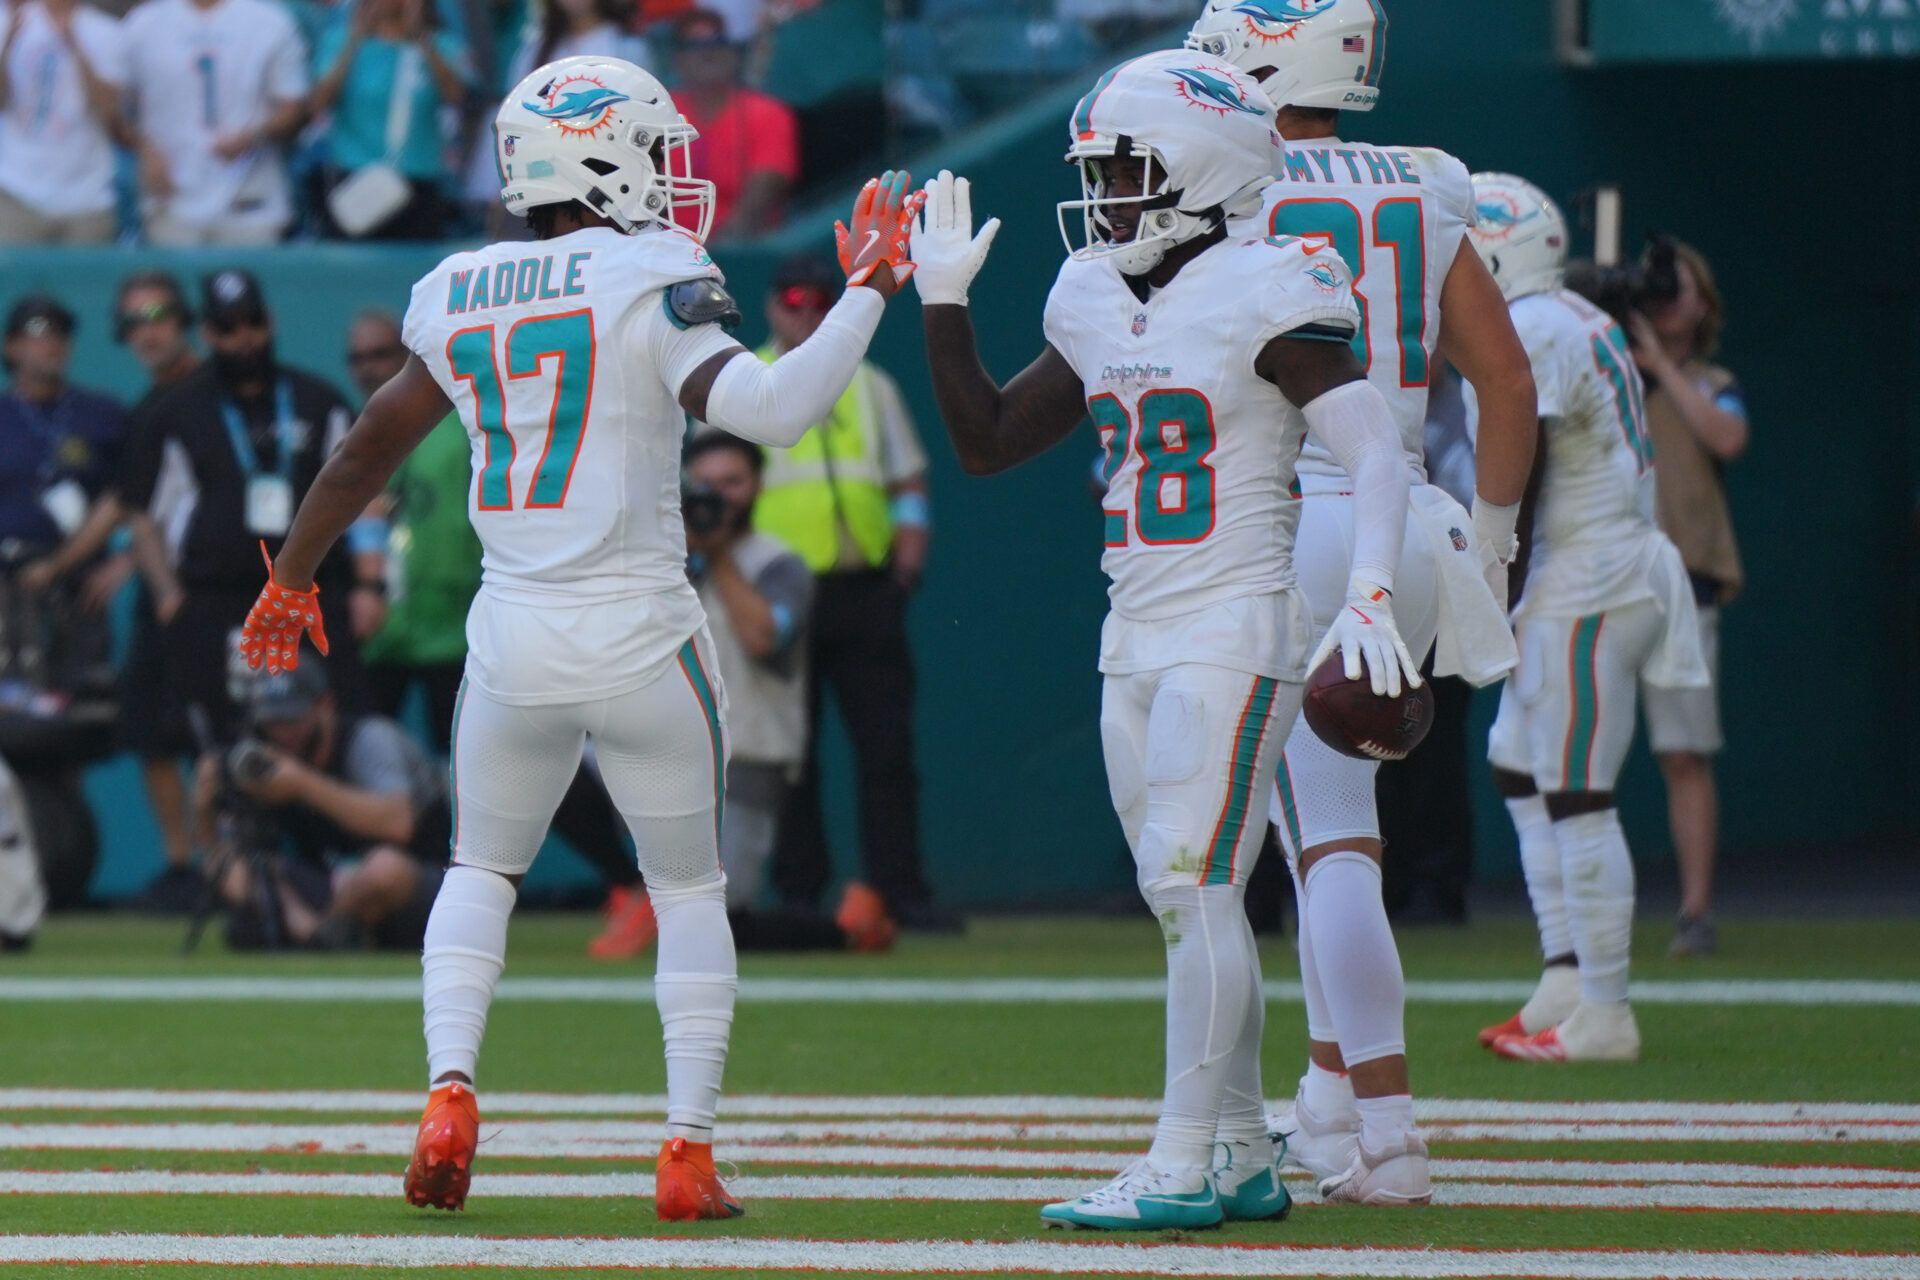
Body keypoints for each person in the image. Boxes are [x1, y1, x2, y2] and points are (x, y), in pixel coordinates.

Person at [233, 52, 918, 1221]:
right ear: (603, 154)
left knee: (479, 870)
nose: (669, 174)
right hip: (644, 631)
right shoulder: (653, 269)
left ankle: (450, 1090)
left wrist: (289, 578)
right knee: (689, 890)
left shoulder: (460, 286)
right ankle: (686, 1153)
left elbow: (362, 452)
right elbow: (775, 410)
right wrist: (869, 288)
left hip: (512, 639)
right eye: (653, 148)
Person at [912, 50, 1418, 1227]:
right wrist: (941, 301)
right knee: (1188, 894)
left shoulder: (1269, 282)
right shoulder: (1095, 292)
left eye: (1125, 171)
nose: (1105, 198)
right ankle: (1238, 1145)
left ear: (1201, 169)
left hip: (1233, 621)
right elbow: (986, 439)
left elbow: (1376, 444)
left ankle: (1182, 1155)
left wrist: (1375, 593)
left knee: (1193, 889)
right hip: (1132, 625)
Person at [1186, 0, 1534, 1202]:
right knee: (1324, 828)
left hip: (1299, 518)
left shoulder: (1228, 170)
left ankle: (1389, 1133)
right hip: (1415, 517)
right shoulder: (1427, 180)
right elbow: (1503, 377)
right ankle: (1333, 1105)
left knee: (1328, 839)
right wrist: (1489, 542)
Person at [1466, 172, 1708, 1064]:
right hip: (1592, 574)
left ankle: (1607, 1011)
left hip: (1590, 583)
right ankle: (1567, 974)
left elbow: (1518, 468)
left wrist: (1489, 582)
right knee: (1518, 767)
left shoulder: (1531, 327)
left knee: (1577, 792)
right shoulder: (1567, 316)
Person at [754, 255, 944, 931]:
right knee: (789, 758)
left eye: (819, 303)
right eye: (793, 302)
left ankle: (900, 892)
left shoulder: (869, 385)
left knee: (887, 754)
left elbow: (908, 484)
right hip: (778, 599)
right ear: (773, 307)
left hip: (865, 592)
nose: (805, 316)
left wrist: (906, 570)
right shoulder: (745, 380)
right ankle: (800, 895)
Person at [115, 270, 369, 760]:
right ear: (208, 334)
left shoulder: (319, 401)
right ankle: (238, 838)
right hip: (219, 605)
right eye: (227, 328)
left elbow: (367, 498)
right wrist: (169, 597)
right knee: (225, 744)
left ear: (270, 322)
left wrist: (370, 585)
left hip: (313, 598)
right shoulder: (178, 413)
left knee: (337, 731)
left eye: (251, 323)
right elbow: (144, 516)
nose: (243, 338)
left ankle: (337, 833)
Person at [21, 275, 204, 909]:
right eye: (132, 323)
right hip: (156, 593)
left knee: (210, 733)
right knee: (152, 732)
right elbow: (138, 496)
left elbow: (138, 500)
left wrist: (116, 560)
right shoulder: (151, 404)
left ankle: (216, 866)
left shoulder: (194, 396)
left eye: (158, 315)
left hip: (209, 584)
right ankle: (184, 866)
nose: (147, 331)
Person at [1629, 240, 1747, 958]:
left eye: (1684, 291)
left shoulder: (1713, 379)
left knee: (1683, 752)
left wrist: (1662, 366)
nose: (1674, 302)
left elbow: (1726, 436)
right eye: (1662, 290)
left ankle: (1694, 911)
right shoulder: (1609, 372)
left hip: (1685, 582)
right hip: (1608, 576)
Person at [201, 661, 449, 949]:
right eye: (273, 721)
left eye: (292, 719)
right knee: (229, 866)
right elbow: (218, 852)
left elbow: (398, 823)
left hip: (413, 882)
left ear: (325, 706)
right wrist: (205, 805)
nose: (282, 732)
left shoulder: (370, 740)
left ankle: (326, 931)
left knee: (385, 868)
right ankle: (313, 933)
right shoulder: (261, 757)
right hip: (324, 882)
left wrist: (302, 785)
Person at [123, 0, 311, 246]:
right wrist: (144, 148)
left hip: (249, 203)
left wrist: (254, 136)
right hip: (170, 200)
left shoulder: (270, 21)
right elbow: (120, 105)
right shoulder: (143, 23)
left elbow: (295, 108)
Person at [310, 0, 473, 240]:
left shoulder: (442, 44)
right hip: (355, 177)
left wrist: (422, 40)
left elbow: (458, 97)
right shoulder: (339, 41)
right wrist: (354, 40)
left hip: (418, 179)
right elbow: (318, 103)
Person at [0, 0, 128, 245]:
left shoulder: (105, 31)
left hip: (86, 199)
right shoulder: (9, 21)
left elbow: (110, 111)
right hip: (15, 192)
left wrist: (75, 47)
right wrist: (7, 45)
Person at [670, 9, 796, 241]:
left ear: (732, 53)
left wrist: (715, 251)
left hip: (741, 252)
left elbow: (764, 190)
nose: (707, 52)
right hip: (664, 248)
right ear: (678, 60)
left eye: (716, 42)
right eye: (694, 45)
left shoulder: (767, 112)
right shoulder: (660, 112)